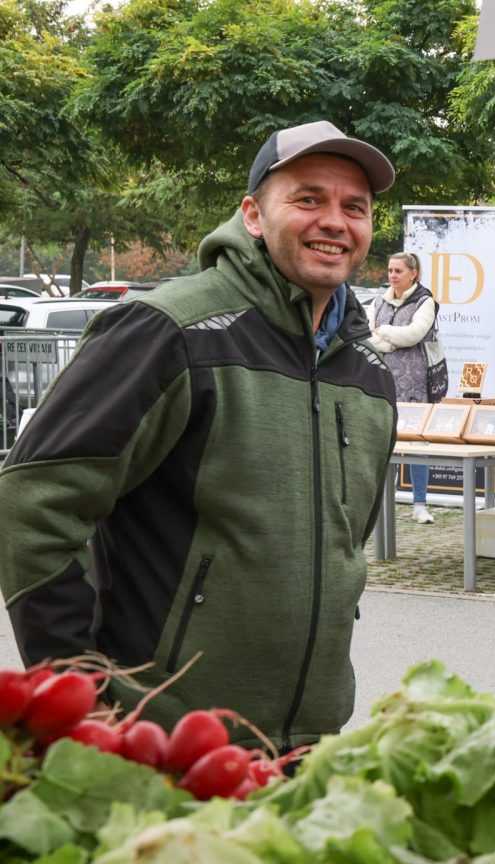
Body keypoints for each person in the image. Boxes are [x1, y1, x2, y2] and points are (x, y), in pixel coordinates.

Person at [0, 119, 398, 747]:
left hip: (310, 744)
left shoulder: (370, 373)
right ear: (253, 215)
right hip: (160, 740)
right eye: (308, 198)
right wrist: (81, 694)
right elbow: (32, 502)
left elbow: (344, 548)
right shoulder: (168, 331)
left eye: (356, 207)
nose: (335, 221)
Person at [368, 251, 441, 524]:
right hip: (384, 380)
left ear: (414, 273)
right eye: (390, 270)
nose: (392, 275)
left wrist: (384, 332)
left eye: (398, 271)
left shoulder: (426, 301)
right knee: (382, 439)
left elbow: (414, 334)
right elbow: (368, 336)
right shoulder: (380, 300)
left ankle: (420, 503)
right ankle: (379, 503)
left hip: (416, 381)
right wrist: (388, 338)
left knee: (416, 441)